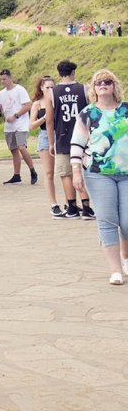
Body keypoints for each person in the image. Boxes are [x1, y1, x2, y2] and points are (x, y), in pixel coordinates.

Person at [70, 70, 128, 284]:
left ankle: (126, 257)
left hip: (126, 173)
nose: (103, 85)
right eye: (98, 83)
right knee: (106, 219)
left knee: (127, 221)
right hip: (98, 173)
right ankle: (115, 270)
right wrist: (76, 171)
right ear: (93, 88)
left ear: (114, 86)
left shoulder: (126, 110)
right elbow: (77, 143)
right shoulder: (87, 113)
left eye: (107, 82)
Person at [45, 60, 94, 219]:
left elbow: (49, 120)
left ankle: (72, 207)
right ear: (73, 72)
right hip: (83, 137)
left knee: (66, 173)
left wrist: (51, 142)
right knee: (83, 170)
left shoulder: (51, 92)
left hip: (62, 137)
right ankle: (86, 207)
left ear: (59, 74)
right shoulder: (84, 89)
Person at [0, 70, 38, 184]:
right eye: (1, 79)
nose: (2, 81)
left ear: (10, 78)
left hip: (20, 124)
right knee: (13, 149)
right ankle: (16, 175)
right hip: (9, 125)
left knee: (21, 147)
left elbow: (28, 105)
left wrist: (15, 115)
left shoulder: (19, 89)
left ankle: (32, 170)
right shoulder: (1, 93)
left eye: (4, 79)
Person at [29, 76, 56, 211]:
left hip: (61, 134)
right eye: (47, 87)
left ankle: (72, 202)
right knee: (49, 172)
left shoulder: (58, 101)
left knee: (68, 171)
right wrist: (45, 117)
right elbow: (32, 125)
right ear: (41, 88)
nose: (50, 90)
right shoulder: (37, 104)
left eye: (52, 87)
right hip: (45, 135)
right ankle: (53, 203)